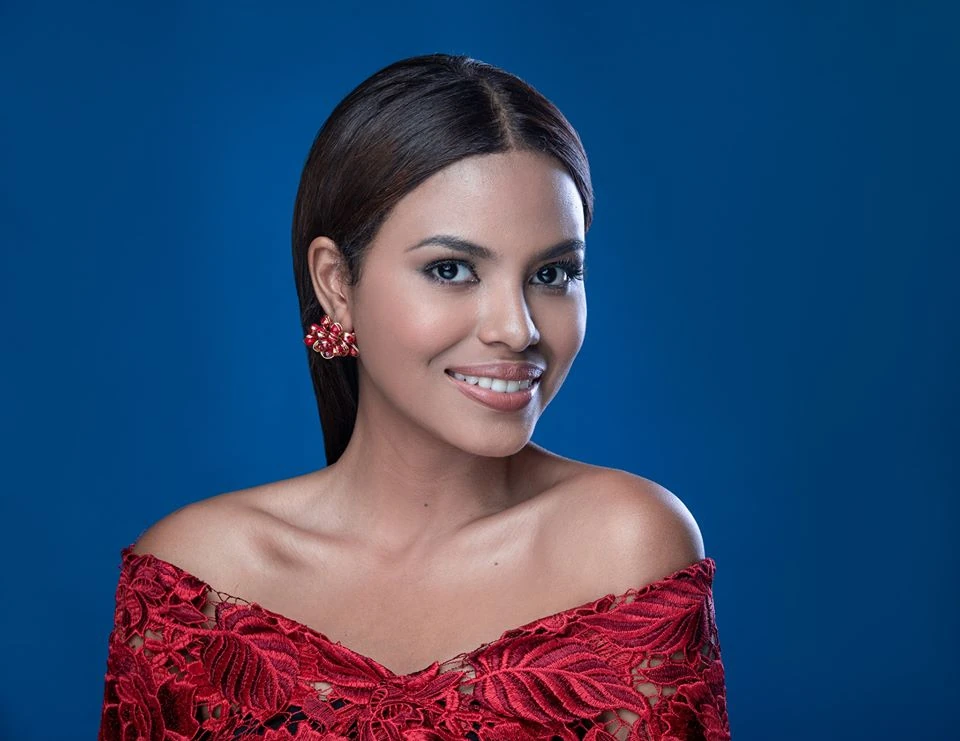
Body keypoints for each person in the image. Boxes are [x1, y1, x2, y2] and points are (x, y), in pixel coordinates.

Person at [98, 53, 731, 740]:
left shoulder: (625, 549)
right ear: (337, 283)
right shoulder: (195, 582)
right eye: (452, 269)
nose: (517, 328)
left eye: (552, 273)